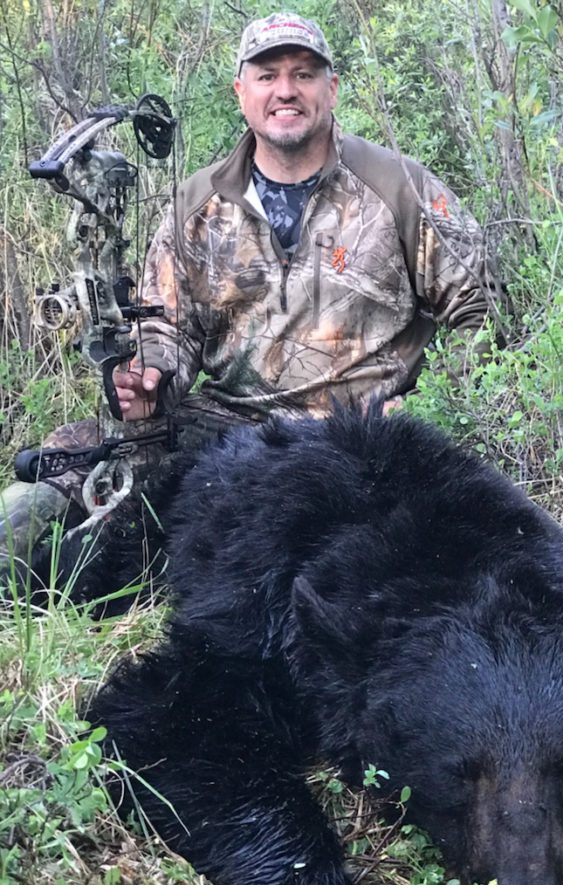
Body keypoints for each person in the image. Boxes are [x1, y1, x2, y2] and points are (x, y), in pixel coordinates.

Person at [0, 11, 501, 577]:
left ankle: (111, 566)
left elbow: (480, 310)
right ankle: (19, 556)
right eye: (267, 75)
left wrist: (427, 404)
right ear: (242, 91)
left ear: (330, 88)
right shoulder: (197, 203)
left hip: (358, 439)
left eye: (303, 73)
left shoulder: (399, 187)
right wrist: (152, 378)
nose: (285, 90)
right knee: (81, 451)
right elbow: (167, 326)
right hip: (234, 427)